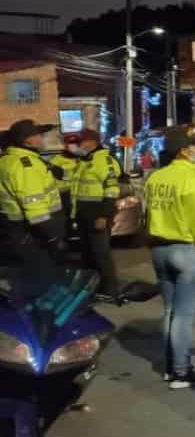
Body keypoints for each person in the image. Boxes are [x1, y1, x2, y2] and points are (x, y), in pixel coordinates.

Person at [145, 126, 195, 389]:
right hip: (188, 252)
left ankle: (170, 366)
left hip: (160, 249)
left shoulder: (156, 179)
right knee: (184, 314)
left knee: (169, 310)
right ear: (183, 150)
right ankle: (181, 371)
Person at [0, 120, 67, 291]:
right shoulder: (25, 164)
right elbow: (34, 203)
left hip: (19, 230)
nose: (42, 137)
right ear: (27, 141)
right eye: (38, 135)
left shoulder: (10, 159)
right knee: (41, 280)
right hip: (35, 232)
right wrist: (52, 236)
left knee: (29, 276)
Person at [70, 129, 125, 303]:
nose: (78, 145)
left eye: (81, 141)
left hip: (97, 214)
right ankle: (91, 289)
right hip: (83, 215)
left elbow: (111, 191)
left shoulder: (105, 160)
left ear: (91, 142)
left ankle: (111, 291)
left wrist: (104, 215)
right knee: (87, 255)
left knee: (101, 254)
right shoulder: (85, 161)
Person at [49, 133, 80, 210]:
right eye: (71, 143)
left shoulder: (82, 159)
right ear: (65, 145)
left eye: (76, 143)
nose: (74, 146)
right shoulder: (56, 160)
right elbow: (65, 175)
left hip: (80, 196)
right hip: (62, 196)